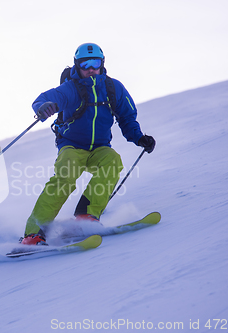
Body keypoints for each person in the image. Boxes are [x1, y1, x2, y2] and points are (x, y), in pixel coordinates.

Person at [21, 43, 155, 245]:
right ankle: (34, 232)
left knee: (113, 162)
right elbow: (45, 99)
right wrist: (43, 107)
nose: (91, 69)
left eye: (95, 63)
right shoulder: (71, 89)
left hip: (100, 148)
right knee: (66, 176)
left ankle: (86, 216)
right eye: (85, 64)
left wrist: (139, 138)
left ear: (102, 64)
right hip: (72, 146)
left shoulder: (113, 88)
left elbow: (127, 117)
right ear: (77, 66)